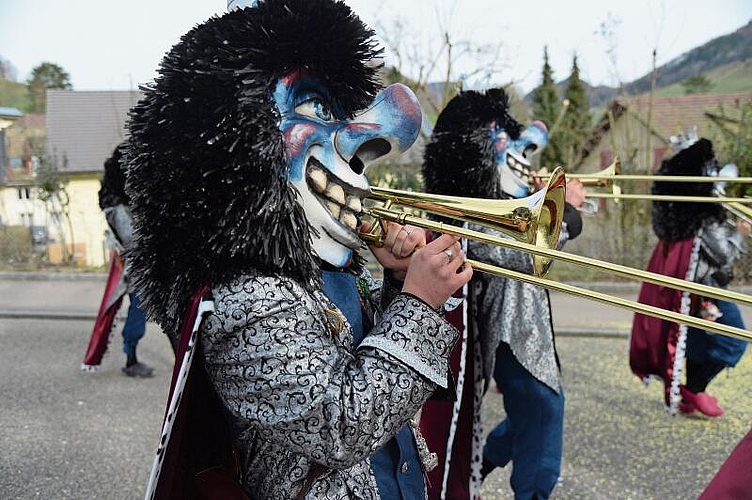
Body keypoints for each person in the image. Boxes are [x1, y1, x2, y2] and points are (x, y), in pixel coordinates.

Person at [123, 1, 473, 498]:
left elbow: (370, 362)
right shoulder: (243, 300)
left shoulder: (320, 271)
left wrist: (399, 284)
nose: (371, 138)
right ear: (240, 145)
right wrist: (419, 303)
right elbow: (338, 426)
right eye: (314, 110)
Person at [419, 88, 586, 500]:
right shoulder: (466, 205)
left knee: (535, 410)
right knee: (545, 409)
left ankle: (487, 458)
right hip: (512, 334)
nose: (508, 147)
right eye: (497, 137)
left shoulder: (493, 196)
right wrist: (571, 211)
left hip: (525, 330)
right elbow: (516, 250)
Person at [630, 133, 748, 417]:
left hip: (690, 290)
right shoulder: (702, 215)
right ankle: (694, 388)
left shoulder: (687, 209)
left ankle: (690, 395)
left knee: (696, 343)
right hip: (706, 289)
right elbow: (724, 255)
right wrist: (740, 234)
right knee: (735, 340)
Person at [80, 143, 156, 377]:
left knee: (139, 309)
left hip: (134, 265)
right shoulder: (118, 207)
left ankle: (131, 357)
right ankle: (131, 360)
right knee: (137, 311)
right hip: (133, 268)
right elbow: (133, 240)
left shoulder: (120, 203)